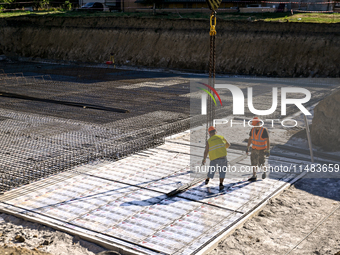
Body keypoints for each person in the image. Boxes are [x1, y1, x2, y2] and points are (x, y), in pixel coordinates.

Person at [246, 117, 270, 181]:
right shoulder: (252, 130)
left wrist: (268, 150)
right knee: (254, 162)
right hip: (254, 149)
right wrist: (248, 147)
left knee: (261, 163)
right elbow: (250, 139)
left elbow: (267, 140)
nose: (254, 126)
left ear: (258, 123)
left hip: (262, 150)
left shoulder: (264, 130)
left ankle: (264, 171)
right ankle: (254, 176)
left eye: (255, 124)